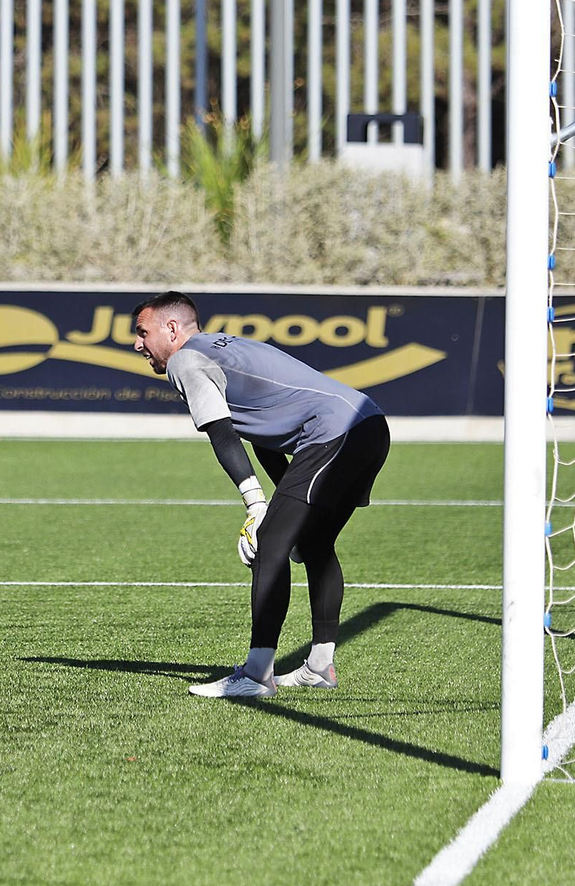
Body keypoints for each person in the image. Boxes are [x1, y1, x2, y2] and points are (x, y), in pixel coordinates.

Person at [130, 291, 389, 698]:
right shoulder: (227, 347)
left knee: (269, 544)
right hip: (369, 425)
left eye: (143, 333)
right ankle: (319, 667)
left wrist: (257, 507)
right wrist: (283, 501)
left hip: (333, 434)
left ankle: (256, 675)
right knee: (314, 543)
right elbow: (265, 434)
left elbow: (222, 433)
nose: (138, 344)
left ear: (172, 329)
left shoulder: (184, 360)